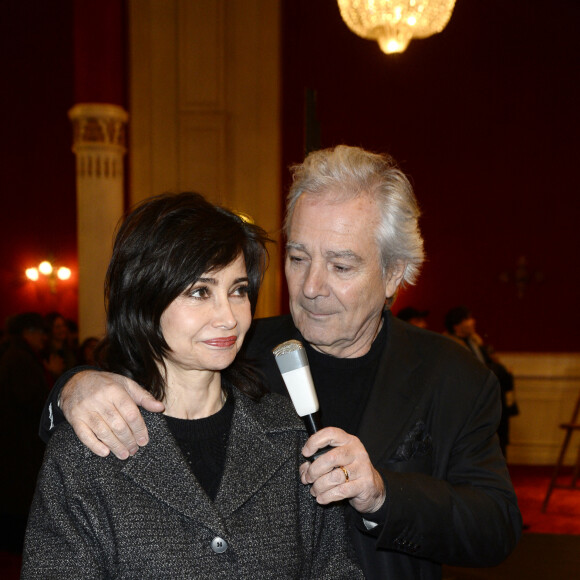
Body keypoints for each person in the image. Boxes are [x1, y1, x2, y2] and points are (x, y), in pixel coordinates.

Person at [39, 147, 522, 579]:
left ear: (393, 273)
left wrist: (381, 494)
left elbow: (495, 526)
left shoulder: (452, 375)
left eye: (341, 265)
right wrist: (72, 387)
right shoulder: (230, 346)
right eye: (297, 257)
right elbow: (129, 376)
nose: (311, 286)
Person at [23, 193, 361, 579]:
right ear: (145, 299)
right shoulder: (86, 451)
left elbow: (335, 568)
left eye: (237, 291)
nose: (228, 318)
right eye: (200, 292)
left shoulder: (288, 430)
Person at [0, 313, 51, 554]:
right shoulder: (20, 359)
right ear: (27, 332)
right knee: (20, 508)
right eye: (40, 332)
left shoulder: (15, 355)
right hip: (21, 446)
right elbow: (30, 402)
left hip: (16, 445)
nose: (44, 337)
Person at [444, 306, 519, 457]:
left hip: (489, 397)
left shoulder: (475, 342)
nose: (472, 322)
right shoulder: (449, 345)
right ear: (456, 325)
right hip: (469, 403)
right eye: (467, 319)